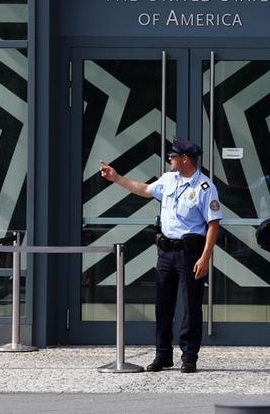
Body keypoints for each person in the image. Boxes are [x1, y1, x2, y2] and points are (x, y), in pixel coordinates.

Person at [99, 137, 222, 373]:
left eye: (173, 156)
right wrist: (117, 178)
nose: (169, 159)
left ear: (185, 159)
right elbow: (144, 190)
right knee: (163, 306)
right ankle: (163, 355)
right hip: (166, 253)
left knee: (191, 307)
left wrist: (205, 257)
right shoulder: (169, 179)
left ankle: (189, 357)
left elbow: (213, 225)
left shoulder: (205, 187)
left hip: (190, 253)